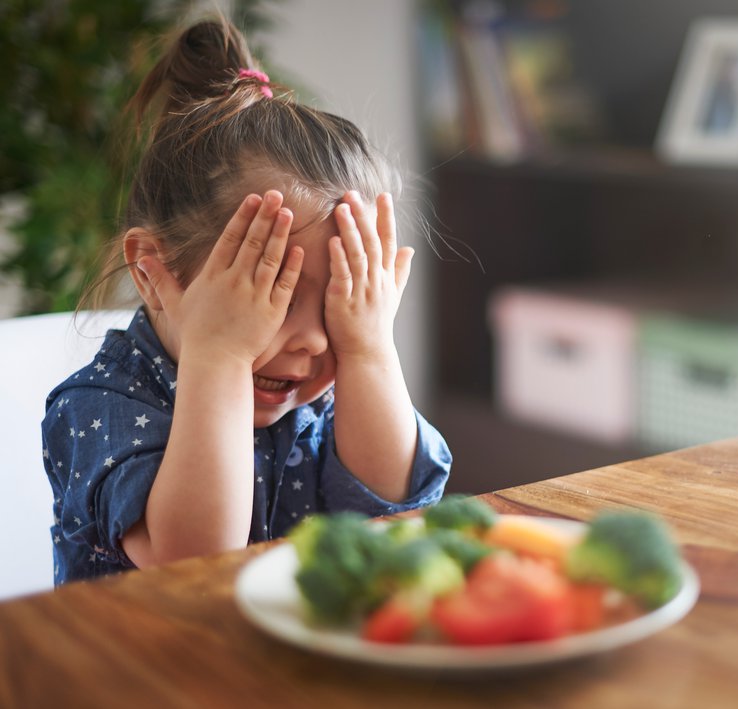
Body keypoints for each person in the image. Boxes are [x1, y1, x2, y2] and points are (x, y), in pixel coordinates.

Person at [41, 19, 451, 584]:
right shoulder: (100, 406)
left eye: (338, 305)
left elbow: (397, 507)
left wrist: (368, 350)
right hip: (139, 666)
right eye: (274, 300)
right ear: (153, 272)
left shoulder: (329, 391)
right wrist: (221, 357)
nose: (312, 339)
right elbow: (194, 561)